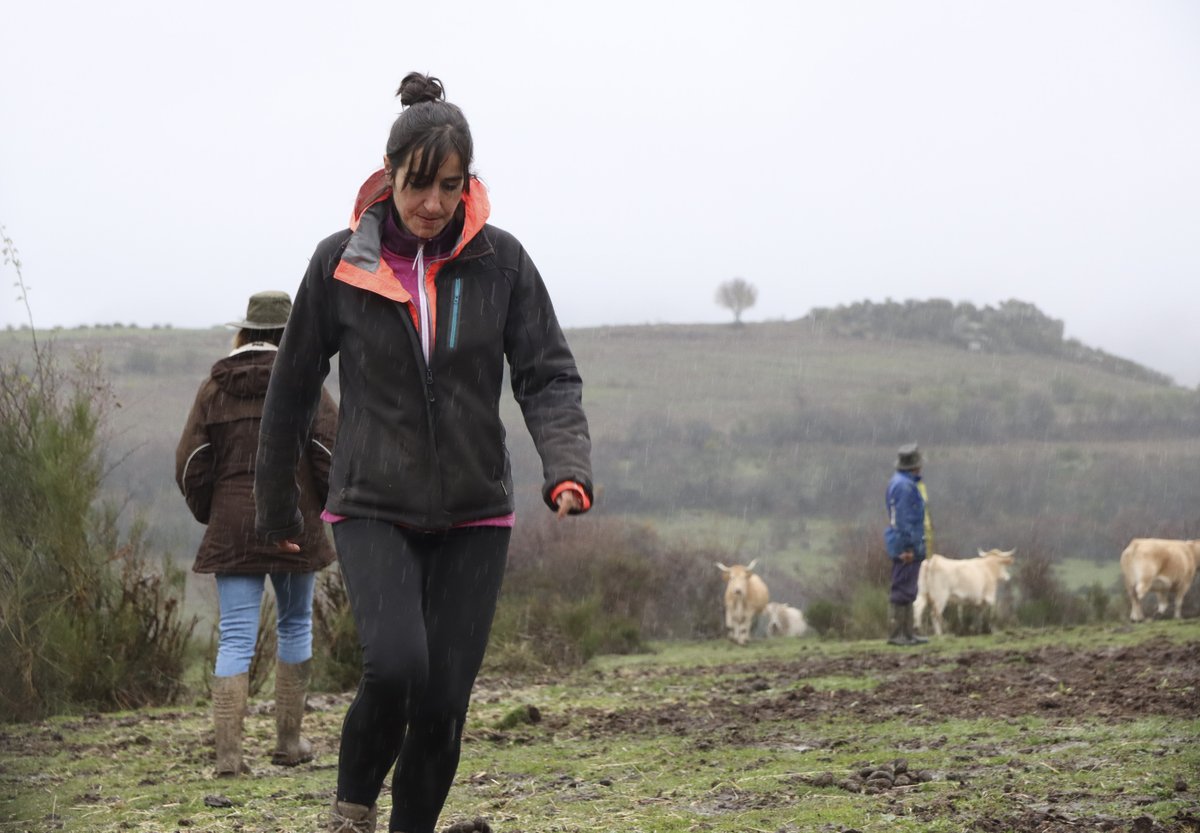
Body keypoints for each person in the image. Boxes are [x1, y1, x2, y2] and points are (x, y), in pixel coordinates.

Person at [254, 72, 593, 833]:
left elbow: (547, 373)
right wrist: (278, 508)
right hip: (373, 502)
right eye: (417, 185)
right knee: (399, 666)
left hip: (476, 511)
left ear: (466, 181)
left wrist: (567, 464)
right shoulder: (338, 263)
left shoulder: (502, 263)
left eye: (448, 185)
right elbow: (293, 389)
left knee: (444, 701)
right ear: (389, 172)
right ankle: (350, 812)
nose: (432, 204)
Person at [175, 290, 338, 776]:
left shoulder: (214, 387)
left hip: (232, 526)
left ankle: (228, 757)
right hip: (294, 521)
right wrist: (317, 511)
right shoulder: (306, 381)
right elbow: (331, 454)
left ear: (244, 332)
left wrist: (218, 513)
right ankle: (289, 743)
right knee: (295, 626)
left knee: (236, 637)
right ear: (290, 334)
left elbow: (189, 463)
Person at [883, 442, 930, 646]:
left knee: (908, 588)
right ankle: (897, 634)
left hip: (904, 541)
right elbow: (904, 519)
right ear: (914, 466)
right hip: (906, 544)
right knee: (902, 588)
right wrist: (909, 547)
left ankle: (908, 633)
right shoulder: (904, 486)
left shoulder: (899, 482)